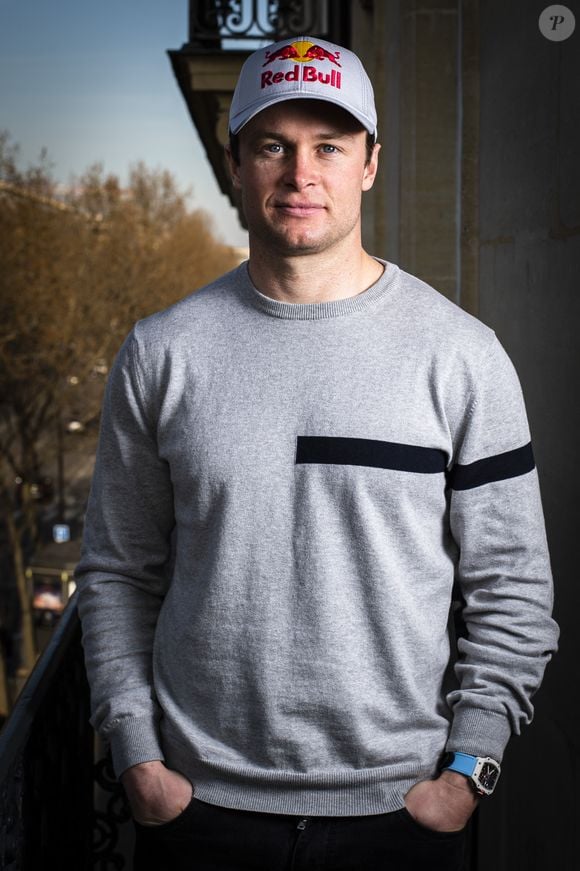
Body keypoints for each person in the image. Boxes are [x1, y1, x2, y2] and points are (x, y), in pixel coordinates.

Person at [76, 36, 558, 871]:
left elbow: (514, 591)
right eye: (274, 145)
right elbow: (118, 571)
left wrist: (465, 774)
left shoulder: (462, 356)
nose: (302, 173)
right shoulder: (161, 353)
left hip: (400, 817)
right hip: (199, 811)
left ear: (369, 163)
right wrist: (138, 759)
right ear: (236, 164)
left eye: (329, 146)